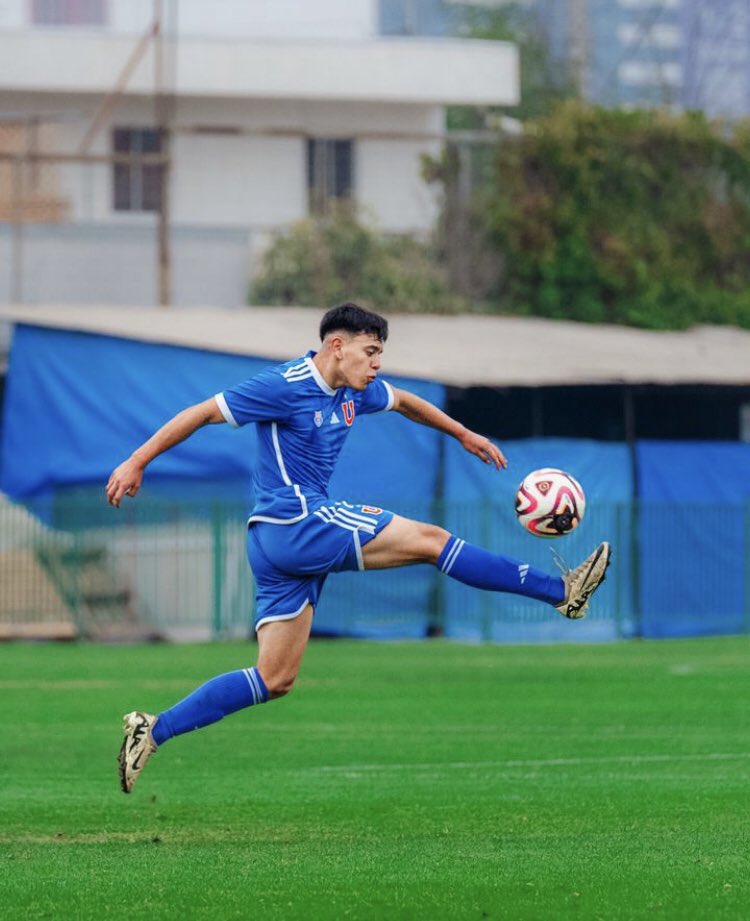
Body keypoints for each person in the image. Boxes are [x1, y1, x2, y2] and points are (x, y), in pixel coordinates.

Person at [108, 303, 611, 794]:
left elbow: (406, 402)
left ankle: (152, 730)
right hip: (297, 520)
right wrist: (136, 461)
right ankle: (561, 591)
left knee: (275, 677)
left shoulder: (356, 390)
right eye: (370, 352)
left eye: (380, 355)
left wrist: (462, 433)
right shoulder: (284, 386)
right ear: (337, 345)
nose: (376, 365)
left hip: (274, 541)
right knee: (433, 541)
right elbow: (200, 413)